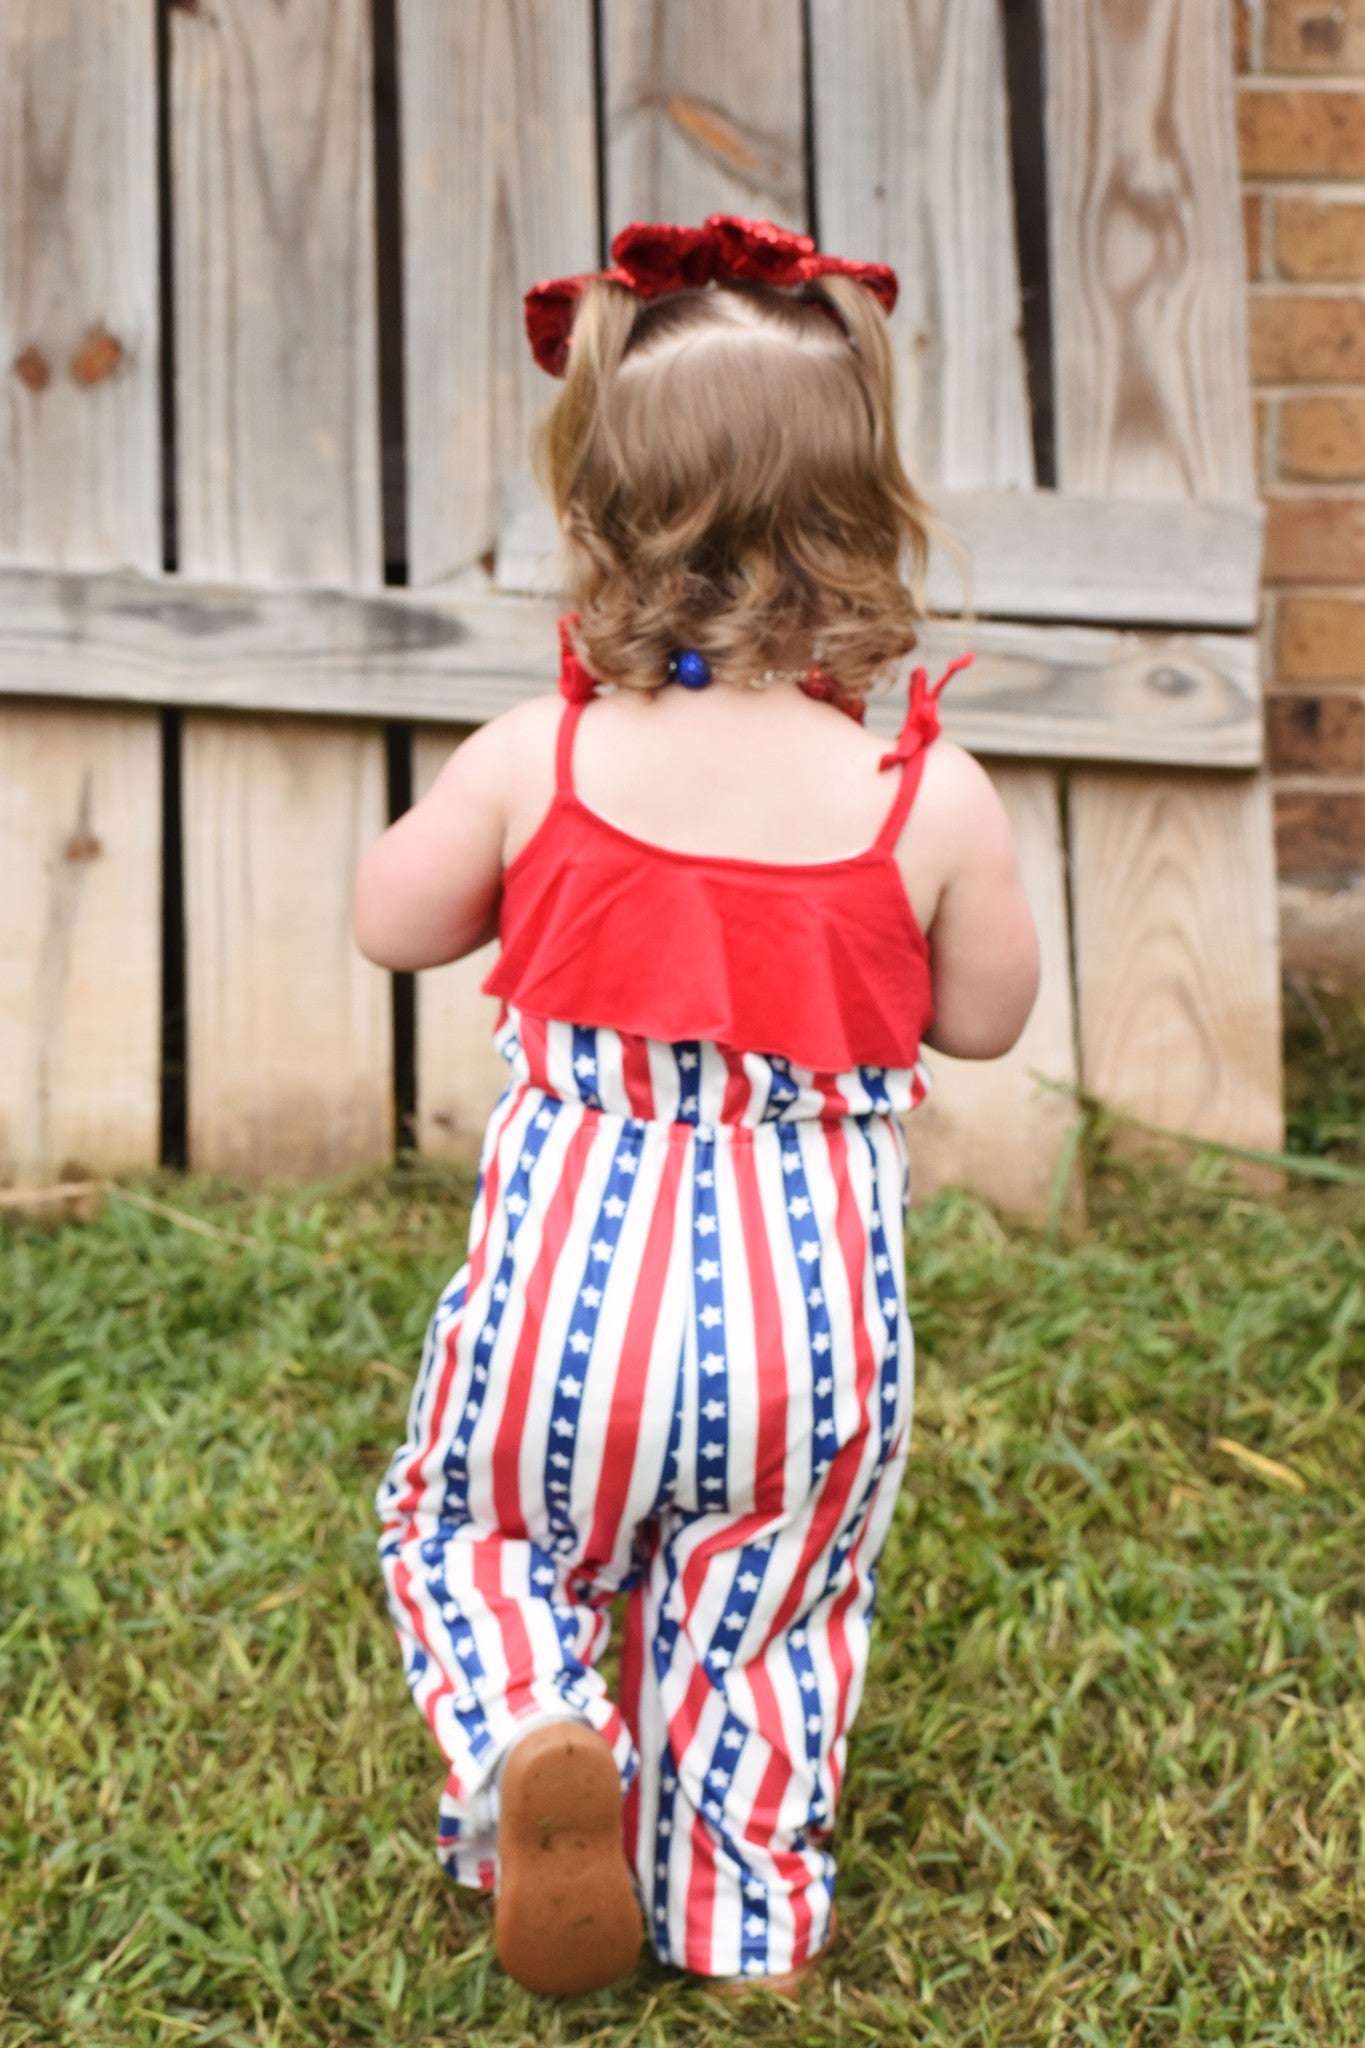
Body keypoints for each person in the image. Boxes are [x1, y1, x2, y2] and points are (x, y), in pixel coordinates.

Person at [353, 214, 1039, 1999]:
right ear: (862, 512)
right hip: (805, 1322)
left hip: (570, 1298)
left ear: (601, 511)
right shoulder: (924, 794)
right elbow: (981, 1021)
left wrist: (492, 835)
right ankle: (742, 1920)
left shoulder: (548, 755)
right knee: (764, 1609)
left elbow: (390, 921)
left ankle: (524, 1731)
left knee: (474, 1527)